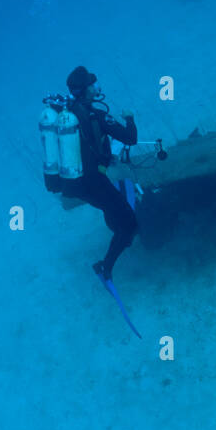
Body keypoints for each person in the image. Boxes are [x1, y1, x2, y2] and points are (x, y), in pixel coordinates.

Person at [60, 66, 138, 281]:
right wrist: (130, 118)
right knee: (130, 225)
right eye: (92, 84)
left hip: (75, 185)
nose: (96, 88)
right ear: (86, 90)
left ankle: (117, 230)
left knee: (109, 207)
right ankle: (106, 268)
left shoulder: (66, 114)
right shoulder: (96, 116)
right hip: (94, 182)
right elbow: (130, 138)